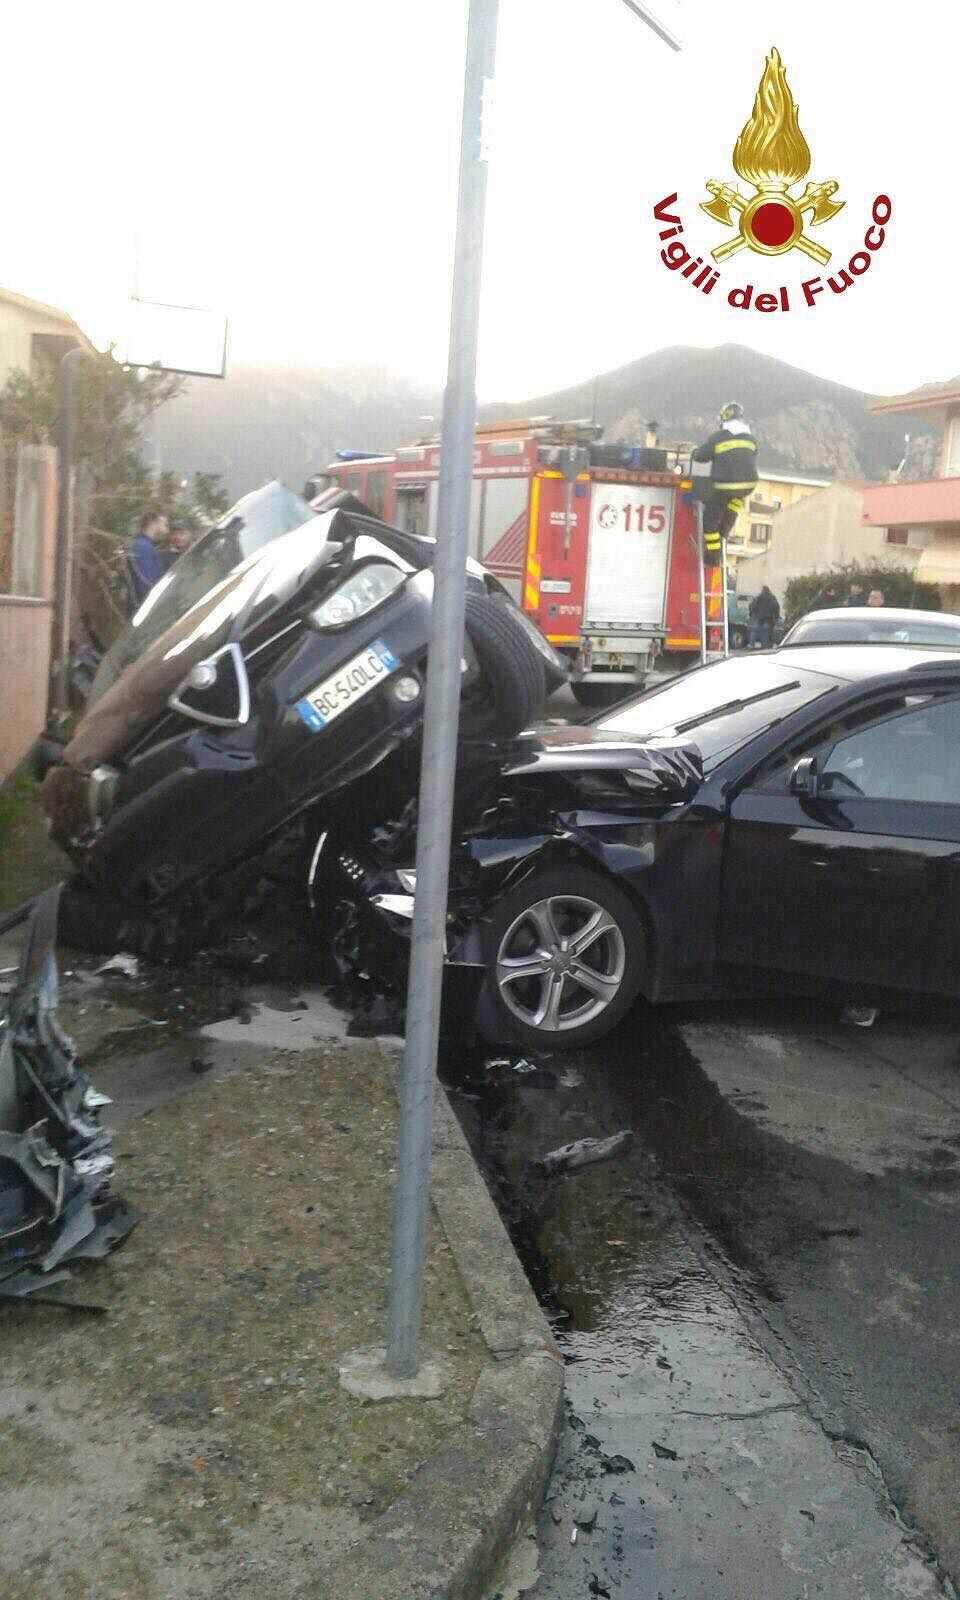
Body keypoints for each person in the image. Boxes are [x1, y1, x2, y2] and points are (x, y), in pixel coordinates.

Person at [692, 401, 759, 568]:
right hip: (747, 486)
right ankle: (724, 535)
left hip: (725, 486)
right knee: (731, 508)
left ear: (724, 417)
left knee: (710, 520)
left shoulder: (718, 437)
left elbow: (700, 457)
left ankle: (713, 557)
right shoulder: (751, 438)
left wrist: (695, 451)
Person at [129, 511, 168, 602]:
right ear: (153, 524)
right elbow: (147, 585)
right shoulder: (143, 547)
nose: (166, 529)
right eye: (164, 524)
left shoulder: (145, 545)